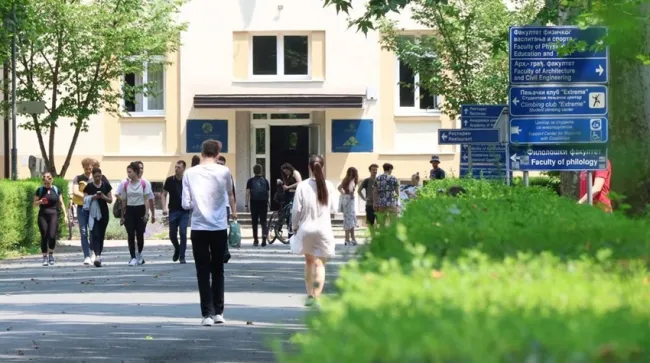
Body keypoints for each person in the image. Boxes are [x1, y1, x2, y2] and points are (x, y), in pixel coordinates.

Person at [182, 139, 237, 326]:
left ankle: (207, 314)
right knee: (218, 269)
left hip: (198, 226)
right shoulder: (224, 172)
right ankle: (219, 312)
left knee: (202, 271)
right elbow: (229, 195)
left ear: (201, 152)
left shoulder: (189, 173)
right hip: (219, 226)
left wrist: (198, 204)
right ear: (218, 153)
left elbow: (185, 203)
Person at [291, 155, 336, 307]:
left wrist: (294, 226)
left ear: (309, 167)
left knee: (309, 262)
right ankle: (317, 297)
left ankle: (309, 294)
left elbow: (296, 210)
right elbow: (334, 209)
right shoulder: (329, 186)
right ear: (322, 167)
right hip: (323, 229)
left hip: (306, 229)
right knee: (320, 264)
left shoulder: (302, 186)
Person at [120, 162, 155, 266]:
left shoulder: (144, 184)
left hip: (140, 209)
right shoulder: (126, 184)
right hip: (130, 210)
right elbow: (124, 201)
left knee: (139, 234)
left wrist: (146, 213)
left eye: (130, 172)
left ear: (135, 172)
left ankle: (139, 254)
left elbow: (147, 200)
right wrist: (122, 215)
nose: (128, 174)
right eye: (127, 172)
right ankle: (133, 257)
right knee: (130, 234)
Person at [33, 172, 68, 266]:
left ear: (52, 180)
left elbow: (61, 203)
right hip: (42, 215)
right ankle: (44, 257)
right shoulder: (39, 190)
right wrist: (40, 201)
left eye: (48, 182)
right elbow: (34, 204)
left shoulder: (56, 190)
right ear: (43, 181)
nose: (47, 184)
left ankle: (51, 254)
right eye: (45, 183)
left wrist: (65, 215)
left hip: (54, 214)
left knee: (52, 236)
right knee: (44, 236)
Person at [82, 168, 113, 267]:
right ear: (92, 176)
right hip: (93, 213)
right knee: (95, 233)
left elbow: (110, 200)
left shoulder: (106, 185)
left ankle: (98, 255)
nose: (97, 178)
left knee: (101, 235)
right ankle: (97, 255)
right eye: (95, 176)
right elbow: (84, 199)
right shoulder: (89, 187)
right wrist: (92, 197)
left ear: (101, 175)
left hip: (104, 213)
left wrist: (103, 197)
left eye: (99, 176)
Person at [162, 160, 190, 263]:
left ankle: (182, 256)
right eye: (175, 167)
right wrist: (164, 208)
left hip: (184, 211)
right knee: (172, 234)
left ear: (183, 169)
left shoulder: (187, 180)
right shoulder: (170, 180)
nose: (176, 169)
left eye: (179, 167)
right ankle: (177, 248)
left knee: (183, 232)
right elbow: (164, 194)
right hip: (173, 210)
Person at [72, 158, 96, 265]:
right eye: (86, 168)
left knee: (93, 231)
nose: (88, 170)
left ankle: (93, 253)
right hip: (81, 208)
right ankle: (86, 256)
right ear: (83, 167)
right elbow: (75, 191)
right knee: (83, 231)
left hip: (93, 208)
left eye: (90, 168)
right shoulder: (78, 178)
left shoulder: (96, 178)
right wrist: (87, 197)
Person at [245, 164, 270, 247]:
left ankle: (255, 240)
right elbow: (268, 193)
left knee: (254, 222)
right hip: (263, 203)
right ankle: (264, 238)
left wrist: (246, 205)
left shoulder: (250, 181)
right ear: (261, 171)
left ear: (253, 171)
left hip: (254, 202)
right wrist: (268, 202)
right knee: (263, 221)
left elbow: (247, 193)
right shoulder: (265, 181)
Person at [217, 155, 234, 261]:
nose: (220, 166)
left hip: (225, 207)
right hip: (212, 207)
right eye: (218, 163)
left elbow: (232, 194)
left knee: (223, 229)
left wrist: (234, 210)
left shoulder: (228, 176)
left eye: (222, 164)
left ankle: (225, 251)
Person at [338, 167, 358, 246]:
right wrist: (351, 194)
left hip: (345, 199)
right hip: (350, 200)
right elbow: (351, 190)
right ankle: (352, 239)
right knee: (351, 219)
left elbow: (339, 188)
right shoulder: (352, 180)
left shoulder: (345, 179)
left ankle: (347, 239)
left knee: (347, 219)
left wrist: (343, 194)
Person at [281, 163, 302, 237]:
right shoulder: (288, 175)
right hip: (288, 195)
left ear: (289, 169)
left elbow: (299, 182)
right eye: (284, 172)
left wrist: (288, 187)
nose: (286, 173)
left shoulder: (295, 173)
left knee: (293, 213)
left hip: (294, 195)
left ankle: (294, 232)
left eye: (286, 171)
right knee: (287, 213)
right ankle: (289, 232)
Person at [358, 163, 378, 230]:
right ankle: (373, 237)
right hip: (369, 205)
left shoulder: (379, 180)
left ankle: (379, 239)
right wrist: (364, 198)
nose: (375, 171)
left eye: (376, 170)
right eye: (373, 170)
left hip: (379, 205)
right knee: (370, 223)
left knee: (380, 223)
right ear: (370, 171)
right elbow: (359, 191)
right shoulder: (366, 181)